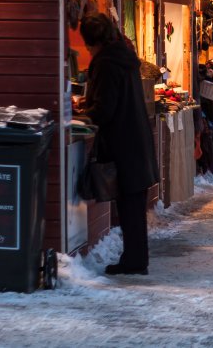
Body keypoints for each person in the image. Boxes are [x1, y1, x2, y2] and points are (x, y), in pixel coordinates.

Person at [79, 14, 159, 275]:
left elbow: (105, 109)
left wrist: (85, 113)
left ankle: (135, 262)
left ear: (93, 41)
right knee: (133, 206)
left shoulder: (105, 63)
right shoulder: (123, 58)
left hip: (124, 143)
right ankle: (135, 259)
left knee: (130, 207)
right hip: (135, 140)